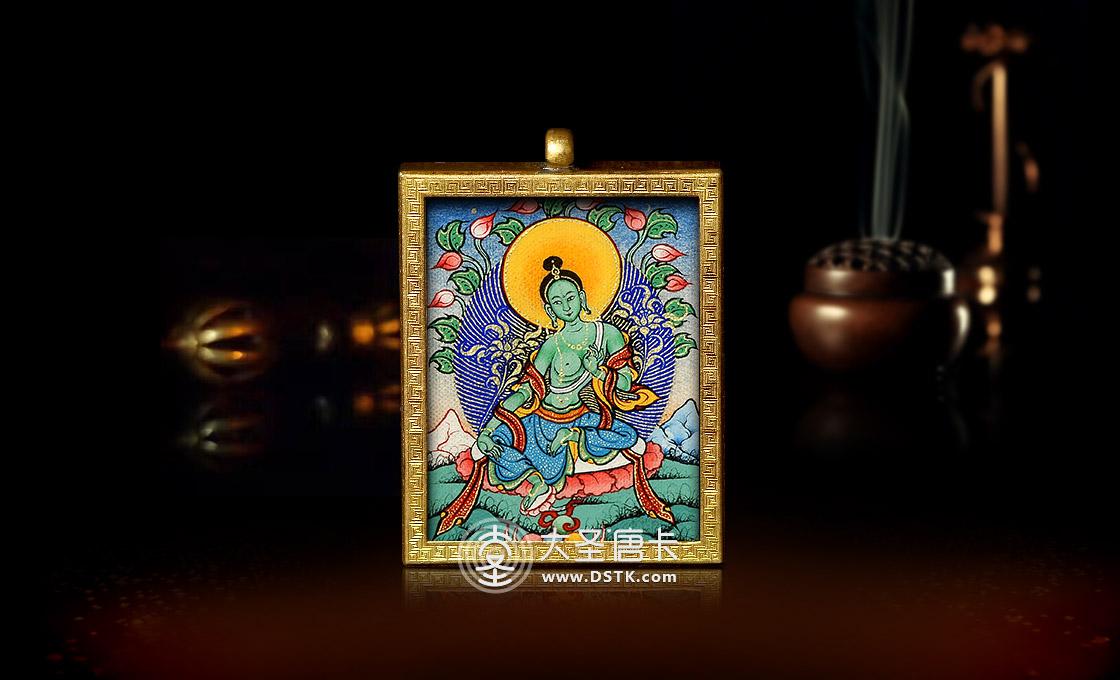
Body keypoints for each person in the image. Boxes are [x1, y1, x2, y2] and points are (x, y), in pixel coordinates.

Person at [474, 256, 657, 514]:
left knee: (627, 436)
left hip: (581, 415)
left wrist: (598, 371)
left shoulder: (607, 334)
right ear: (550, 310)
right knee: (494, 441)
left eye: (570, 298)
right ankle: (537, 483)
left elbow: (626, 384)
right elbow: (527, 390)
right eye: (557, 302)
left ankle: (573, 436)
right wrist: (489, 428)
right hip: (543, 419)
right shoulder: (551, 345)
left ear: (582, 297)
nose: (566, 306)